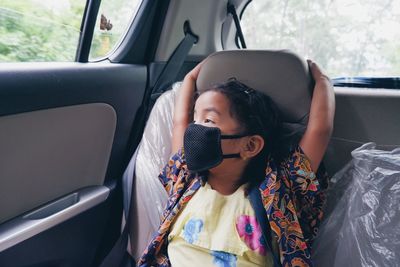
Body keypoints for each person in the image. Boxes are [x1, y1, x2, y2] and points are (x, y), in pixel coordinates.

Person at [138, 59, 335, 267]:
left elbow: (319, 131)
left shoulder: (278, 191)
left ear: (250, 146)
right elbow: (180, 121)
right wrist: (191, 77)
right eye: (196, 119)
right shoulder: (184, 178)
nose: (194, 129)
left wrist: (322, 80)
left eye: (209, 121)